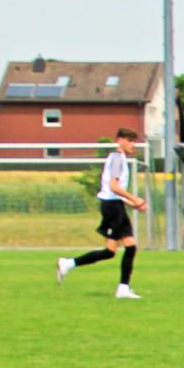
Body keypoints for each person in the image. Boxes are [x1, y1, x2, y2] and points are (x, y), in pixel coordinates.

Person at [55, 127, 146, 299]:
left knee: (112, 251)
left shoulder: (118, 158)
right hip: (112, 208)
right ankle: (123, 288)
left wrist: (132, 203)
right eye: (130, 141)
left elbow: (113, 192)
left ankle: (68, 264)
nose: (133, 144)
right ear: (120, 140)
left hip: (114, 205)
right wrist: (134, 198)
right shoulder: (117, 159)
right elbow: (113, 187)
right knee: (129, 247)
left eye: (134, 141)